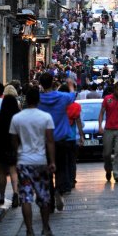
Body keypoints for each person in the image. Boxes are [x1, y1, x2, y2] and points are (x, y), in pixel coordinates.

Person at [10, 88, 56, 236]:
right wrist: (52, 161)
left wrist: (18, 156)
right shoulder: (46, 117)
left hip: (24, 162)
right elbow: (50, 141)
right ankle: (45, 229)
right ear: (39, 100)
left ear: (25, 100)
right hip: (40, 161)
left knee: (26, 198)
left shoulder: (17, 118)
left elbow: (14, 141)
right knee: (44, 197)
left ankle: (30, 233)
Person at [38, 73, 76, 212]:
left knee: (47, 170)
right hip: (61, 140)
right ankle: (59, 190)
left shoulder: (38, 100)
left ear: (41, 83)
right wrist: (71, 85)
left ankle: (49, 200)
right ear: (53, 82)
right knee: (60, 168)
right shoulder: (61, 97)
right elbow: (73, 96)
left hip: (44, 141)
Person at [0, 95, 20, 208]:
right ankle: (16, 193)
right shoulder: (17, 116)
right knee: (13, 171)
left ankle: (2, 197)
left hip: (0, 148)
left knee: (2, 173)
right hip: (13, 147)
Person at [98, 82, 118, 183]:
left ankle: (117, 173)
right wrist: (100, 126)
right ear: (114, 89)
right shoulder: (107, 99)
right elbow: (102, 112)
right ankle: (108, 169)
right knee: (106, 154)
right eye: (117, 89)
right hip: (108, 129)